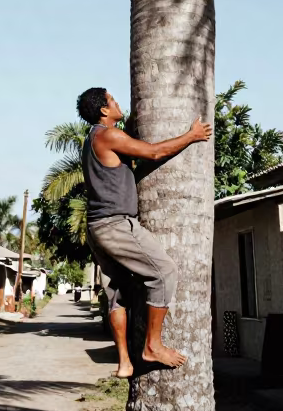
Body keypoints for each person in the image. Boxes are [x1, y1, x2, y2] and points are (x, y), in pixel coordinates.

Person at [77, 85, 211, 376]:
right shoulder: (108, 135)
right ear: (103, 109)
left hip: (97, 227)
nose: (116, 102)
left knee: (117, 294)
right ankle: (153, 345)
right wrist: (192, 135)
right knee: (164, 273)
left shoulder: (92, 139)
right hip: (115, 224)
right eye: (112, 100)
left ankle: (124, 362)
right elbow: (154, 152)